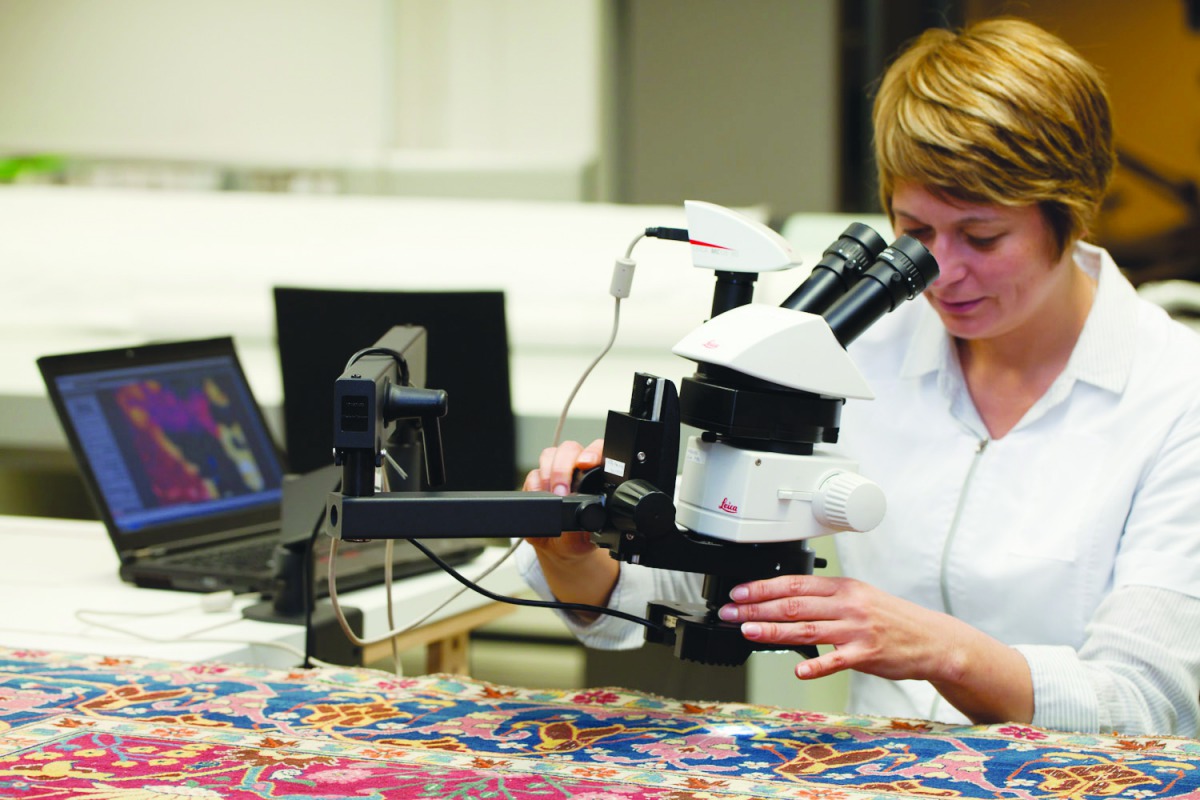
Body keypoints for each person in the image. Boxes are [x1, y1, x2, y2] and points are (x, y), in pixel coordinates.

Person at [515, 17, 1200, 736]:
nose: (944, 271)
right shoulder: (865, 349)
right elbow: (683, 584)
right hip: (885, 773)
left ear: (1073, 211)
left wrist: (944, 651)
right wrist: (573, 554)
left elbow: (1144, 706)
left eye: (983, 235)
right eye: (916, 233)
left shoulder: (1176, 395)